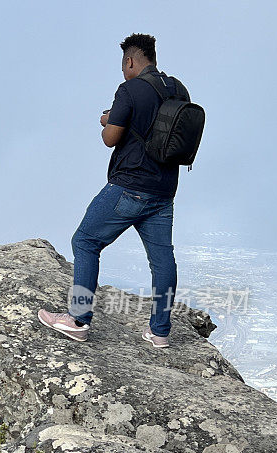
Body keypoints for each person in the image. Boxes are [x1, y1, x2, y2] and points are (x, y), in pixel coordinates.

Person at [39, 33, 188, 349]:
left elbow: (110, 137)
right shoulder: (177, 88)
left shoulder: (130, 89)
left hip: (129, 188)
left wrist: (108, 119)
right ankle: (160, 332)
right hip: (164, 192)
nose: (124, 72)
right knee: (162, 260)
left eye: (124, 66)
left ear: (130, 61)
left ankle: (78, 319)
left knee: (86, 240)